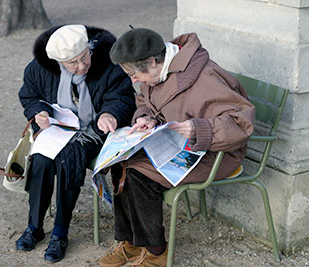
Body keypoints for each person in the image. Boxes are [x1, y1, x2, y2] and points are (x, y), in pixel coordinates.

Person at [99, 28, 255, 266]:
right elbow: (145, 102)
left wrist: (200, 129)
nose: (133, 80)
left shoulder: (205, 77)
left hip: (214, 151)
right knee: (120, 164)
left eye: (134, 73)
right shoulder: (159, 70)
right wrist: (146, 117)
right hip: (175, 142)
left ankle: (156, 251)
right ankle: (130, 242)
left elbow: (241, 123)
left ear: (152, 61)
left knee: (138, 175)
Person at [17, 24, 136, 263]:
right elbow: (29, 96)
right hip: (58, 127)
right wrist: (38, 112)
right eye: (73, 63)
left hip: (94, 130)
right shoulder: (40, 68)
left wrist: (109, 113)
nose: (82, 66)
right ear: (58, 61)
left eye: (84, 58)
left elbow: (122, 97)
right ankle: (35, 226)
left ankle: (60, 232)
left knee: (69, 158)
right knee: (41, 160)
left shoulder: (108, 65)